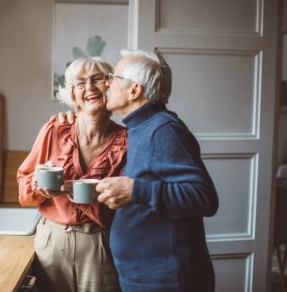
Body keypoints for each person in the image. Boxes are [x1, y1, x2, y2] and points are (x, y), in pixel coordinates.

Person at [94, 50, 219, 292]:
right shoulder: (140, 127)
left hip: (167, 281)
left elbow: (204, 198)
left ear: (134, 90)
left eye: (113, 77)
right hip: (145, 277)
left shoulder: (163, 130)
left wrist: (135, 190)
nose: (106, 83)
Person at [17, 57, 127, 292]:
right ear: (73, 95)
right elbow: (23, 190)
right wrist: (38, 186)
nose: (89, 88)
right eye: (80, 83)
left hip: (101, 242)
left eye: (98, 79)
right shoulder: (54, 130)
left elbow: (131, 202)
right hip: (52, 241)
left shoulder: (127, 140)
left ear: (110, 86)